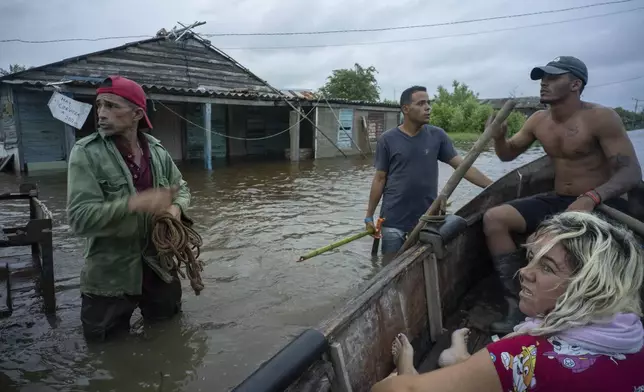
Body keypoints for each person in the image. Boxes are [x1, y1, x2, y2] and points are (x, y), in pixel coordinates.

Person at [372, 211, 644, 392]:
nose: (524, 272)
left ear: (589, 287)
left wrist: (390, 383)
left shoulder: (524, 354)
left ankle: (415, 365)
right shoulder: (632, 335)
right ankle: (461, 359)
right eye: (532, 260)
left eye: (547, 268)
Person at [483, 56, 643, 334]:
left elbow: (631, 175)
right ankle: (515, 304)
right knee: (495, 218)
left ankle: (584, 311)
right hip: (559, 200)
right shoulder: (538, 120)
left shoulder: (601, 118)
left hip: (602, 204)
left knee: (561, 244)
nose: (544, 84)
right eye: (542, 78)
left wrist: (591, 198)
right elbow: (507, 154)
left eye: (553, 78)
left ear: (575, 84)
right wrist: (498, 137)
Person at [66, 75, 191, 342]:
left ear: (136, 113)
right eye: (99, 105)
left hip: (159, 266)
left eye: (111, 106)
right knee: (106, 353)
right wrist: (134, 204)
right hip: (110, 276)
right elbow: (79, 219)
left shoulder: (157, 151)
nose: (101, 114)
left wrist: (175, 210)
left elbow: (182, 187)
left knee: (170, 338)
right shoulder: (85, 153)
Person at [365, 85, 493, 257]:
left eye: (428, 103)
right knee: (390, 270)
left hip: (428, 219)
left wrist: (492, 186)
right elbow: (379, 179)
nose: (428, 107)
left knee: (424, 265)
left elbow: (463, 168)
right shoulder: (387, 140)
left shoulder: (437, 136)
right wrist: (369, 216)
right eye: (421, 103)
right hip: (393, 221)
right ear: (406, 109)